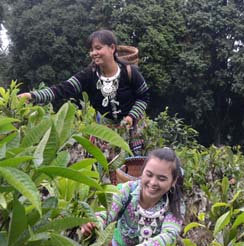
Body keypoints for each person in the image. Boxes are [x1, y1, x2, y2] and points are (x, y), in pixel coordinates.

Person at [18, 29, 150, 154]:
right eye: (91, 50)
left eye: (98, 48)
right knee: (109, 171)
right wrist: (33, 96)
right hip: (106, 132)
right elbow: (62, 89)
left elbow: (143, 97)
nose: (93, 53)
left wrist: (131, 116)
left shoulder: (129, 72)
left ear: (112, 48)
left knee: (136, 168)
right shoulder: (88, 75)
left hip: (134, 129)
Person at [81, 147, 184, 246]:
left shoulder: (175, 205)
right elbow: (109, 212)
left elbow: (169, 235)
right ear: (142, 172)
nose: (153, 182)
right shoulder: (126, 190)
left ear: (173, 181)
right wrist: (94, 222)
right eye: (149, 174)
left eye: (162, 178)